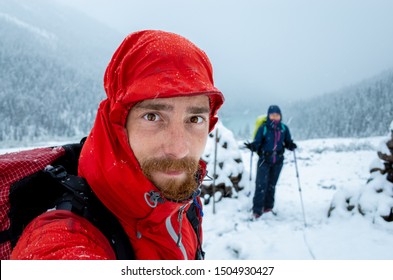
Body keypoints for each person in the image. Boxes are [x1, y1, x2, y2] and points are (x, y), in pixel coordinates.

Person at [11, 30, 224, 260]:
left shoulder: (181, 199)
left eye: (195, 119)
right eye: (153, 116)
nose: (179, 149)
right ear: (119, 124)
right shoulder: (65, 235)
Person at [245, 105, 296, 219]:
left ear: (280, 116)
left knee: (272, 185)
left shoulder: (284, 128)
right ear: (268, 116)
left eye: (277, 115)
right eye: (272, 115)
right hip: (264, 159)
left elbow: (287, 142)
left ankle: (268, 207)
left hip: (278, 160)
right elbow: (257, 142)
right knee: (261, 185)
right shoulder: (263, 128)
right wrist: (253, 146)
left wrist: (291, 145)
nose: (274, 117)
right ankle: (257, 210)